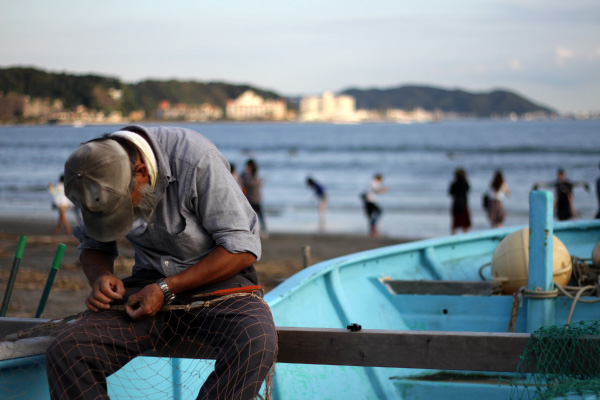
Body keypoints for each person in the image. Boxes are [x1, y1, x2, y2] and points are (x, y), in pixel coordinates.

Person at [45, 126, 277, 400]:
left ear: (141, 171)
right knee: (67, 350)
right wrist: (101, 276)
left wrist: (167, 288)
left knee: (256, 340)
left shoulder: (196, 159)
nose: (120, 218)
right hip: (148, 285)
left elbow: (243, 249)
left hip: (221, 281)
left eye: (122, 210)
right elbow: (93, 245)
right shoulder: (96, 177)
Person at [240, 159, 267, 237]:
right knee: (260, 216)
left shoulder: (248, 179)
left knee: (250, 217)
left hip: (251, 199)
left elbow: (245, 186)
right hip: (257, 199)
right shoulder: (258, 179)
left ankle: (252, 230)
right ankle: (263, 230)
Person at [361, 173, 388, 238]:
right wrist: (384, 189)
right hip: (370, 201)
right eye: (381, 180)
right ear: (378, 178)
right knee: (379, 211)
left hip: (366, 201)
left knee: (370, 215)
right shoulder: (374, 182)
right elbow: (376, 190)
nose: (381, 181)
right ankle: (373, 226)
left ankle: (371, 230)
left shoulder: (370, 183)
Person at [449, 168, 471, 234]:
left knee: (455, 224)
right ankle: (466, 237)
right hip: (463, 205)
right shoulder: (465, 183)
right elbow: (468, 189)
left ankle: (452, 237)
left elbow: (450, 193)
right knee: (465, 225)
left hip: (456, 205)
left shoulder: (454, 184)